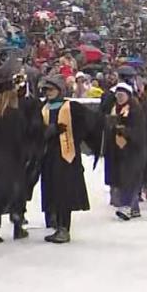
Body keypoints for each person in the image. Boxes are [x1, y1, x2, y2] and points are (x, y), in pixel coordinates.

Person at [0, 61, 39, 243]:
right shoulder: (15, 115)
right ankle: (18, 225)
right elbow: (21, 139)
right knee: (15, 192)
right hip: (12, 160)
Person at [37, 75, 100, 243]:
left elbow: (89, 125)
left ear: (59, 90)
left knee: (64, 192)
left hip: (67, 159)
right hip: (49, 157)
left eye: (51, 89)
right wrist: (49, 131)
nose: (48, 93)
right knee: (52, 192)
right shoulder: (43, 108)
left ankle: (64, 228)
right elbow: (33, 130)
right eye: (46, 90)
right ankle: (57, 225)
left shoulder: (72, 107)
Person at [106, 83, 147, 221]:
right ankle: (133, 207)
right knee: (122, 178)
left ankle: (127, 206)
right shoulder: (114, 109)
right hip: (118, 150)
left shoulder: (135, 110)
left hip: (133, 151)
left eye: (122, 95)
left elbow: (140, 132)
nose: (119, 98)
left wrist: (124, 130)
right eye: (117, 95)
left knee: (130, 179)